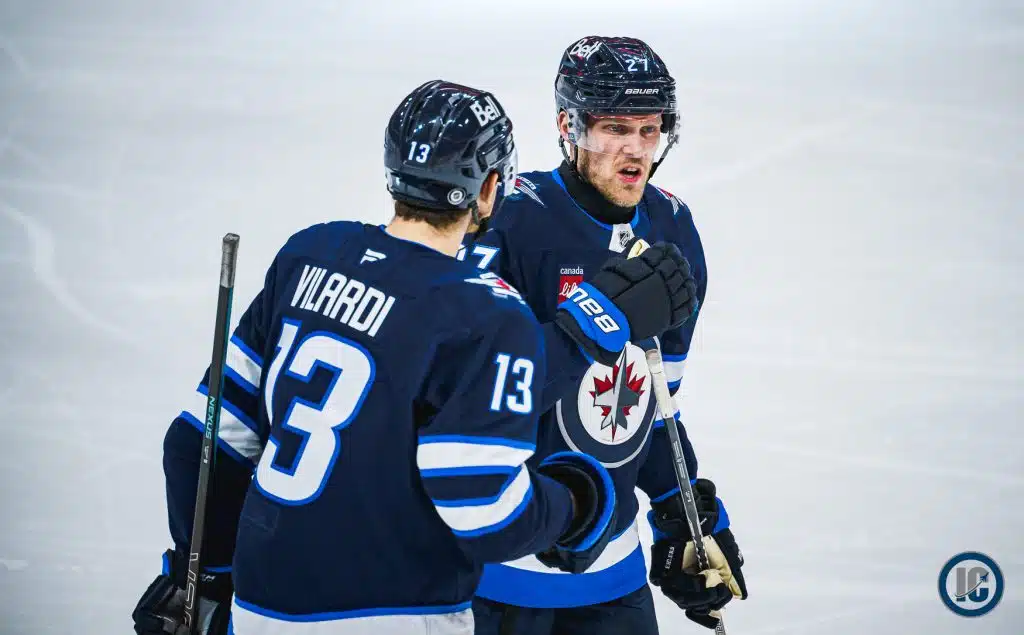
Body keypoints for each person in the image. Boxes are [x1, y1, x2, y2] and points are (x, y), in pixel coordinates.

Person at [131, 79, 697, 635]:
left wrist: (204, 575)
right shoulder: (484, 312)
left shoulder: (311, 253)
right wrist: (575, 504)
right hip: (397, 609)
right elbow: (480, 505)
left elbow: (198, 442)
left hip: (260, 607)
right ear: (489, 188)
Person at [461, 37, 749, 634]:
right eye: (615, 128)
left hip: (615, 580)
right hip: (495, 579)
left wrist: (680, 509)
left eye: (650, 130)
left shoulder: (673, 227)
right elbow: (466, 400)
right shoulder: (508, 221)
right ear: (568, 126)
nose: (635, 149)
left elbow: (653, 403)